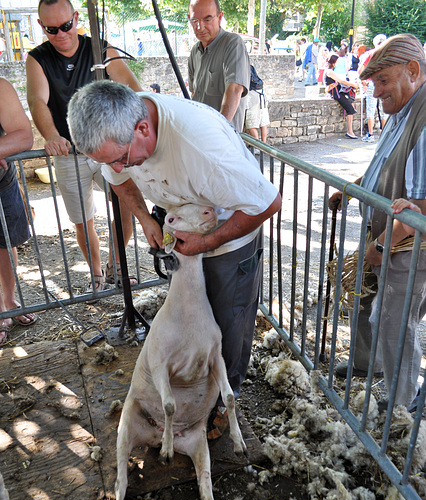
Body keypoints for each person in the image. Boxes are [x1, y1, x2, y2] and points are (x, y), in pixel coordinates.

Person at [67, 81, 281, 433]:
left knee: (229, 322)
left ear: (143, 128)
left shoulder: (201, 148)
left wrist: (208, 242)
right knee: (192, 312)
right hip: (184, 221)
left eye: (121, 158)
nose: (118, 166)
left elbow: (268, 203)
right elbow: (116, 178)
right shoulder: (119, 137)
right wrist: (146, 219)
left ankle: (225, 402)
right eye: (108, 161)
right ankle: (195, 390)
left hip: (230, 232)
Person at [331, 33, 426, 413]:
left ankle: (399, 405)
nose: (376, 92)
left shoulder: (423, 117)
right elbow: (384, 164)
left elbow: (419, 205)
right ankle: (365, 364)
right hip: (386, 234)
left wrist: (382, 245)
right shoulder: (402, 111)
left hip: (408, 245)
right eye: (373, 84)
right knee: (365, 302)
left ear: (413, 71)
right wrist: (353, 188)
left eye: (383, 81)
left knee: (394, 321)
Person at [26, 0, 142, 292]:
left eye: (66, 26)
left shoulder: (101, 49)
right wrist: (52, 135)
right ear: (42, 27)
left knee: (126, 204)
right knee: (82, 218)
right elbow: (37, 100)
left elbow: (131, 84)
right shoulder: (37, 58)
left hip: (108, 149)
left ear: (76, 18)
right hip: (69, 153)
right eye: (52, 30)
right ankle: (96, 272)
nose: (61, 34)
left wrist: (148, 124)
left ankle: (117, 265)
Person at [0, 79, 37, 346]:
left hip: (2, 179)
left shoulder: (0, 87)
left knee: (7, 241)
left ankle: (9, 301)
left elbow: (24, 135)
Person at [187, 0, 250, 132]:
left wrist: (218, 132)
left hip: (223, 139)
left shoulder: (232, 44)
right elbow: (194, 93)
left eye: (207, 20)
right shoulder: (195, 52)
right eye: (195, 21)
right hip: (200, 133)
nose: (200, 27)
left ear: (219, 17)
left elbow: (235, 89)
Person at [358, 33, 387, 142]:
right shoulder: (387, 55)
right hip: (384, 83)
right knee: (383, 110)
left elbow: (361, 68)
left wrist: (363, 81)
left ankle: (370, 134)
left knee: (371, 108)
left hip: (372, 83)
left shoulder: (370, 53)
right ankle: (384, 134)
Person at [324, 54, 359, 138]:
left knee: (351, 102)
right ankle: (350, 131)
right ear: (334, 62)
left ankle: (350, 131)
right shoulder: (329, 71)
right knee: (350, 110)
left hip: (336, 92)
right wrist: (353, 84)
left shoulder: (329, 71)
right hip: (335, 93)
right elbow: (341, 80)